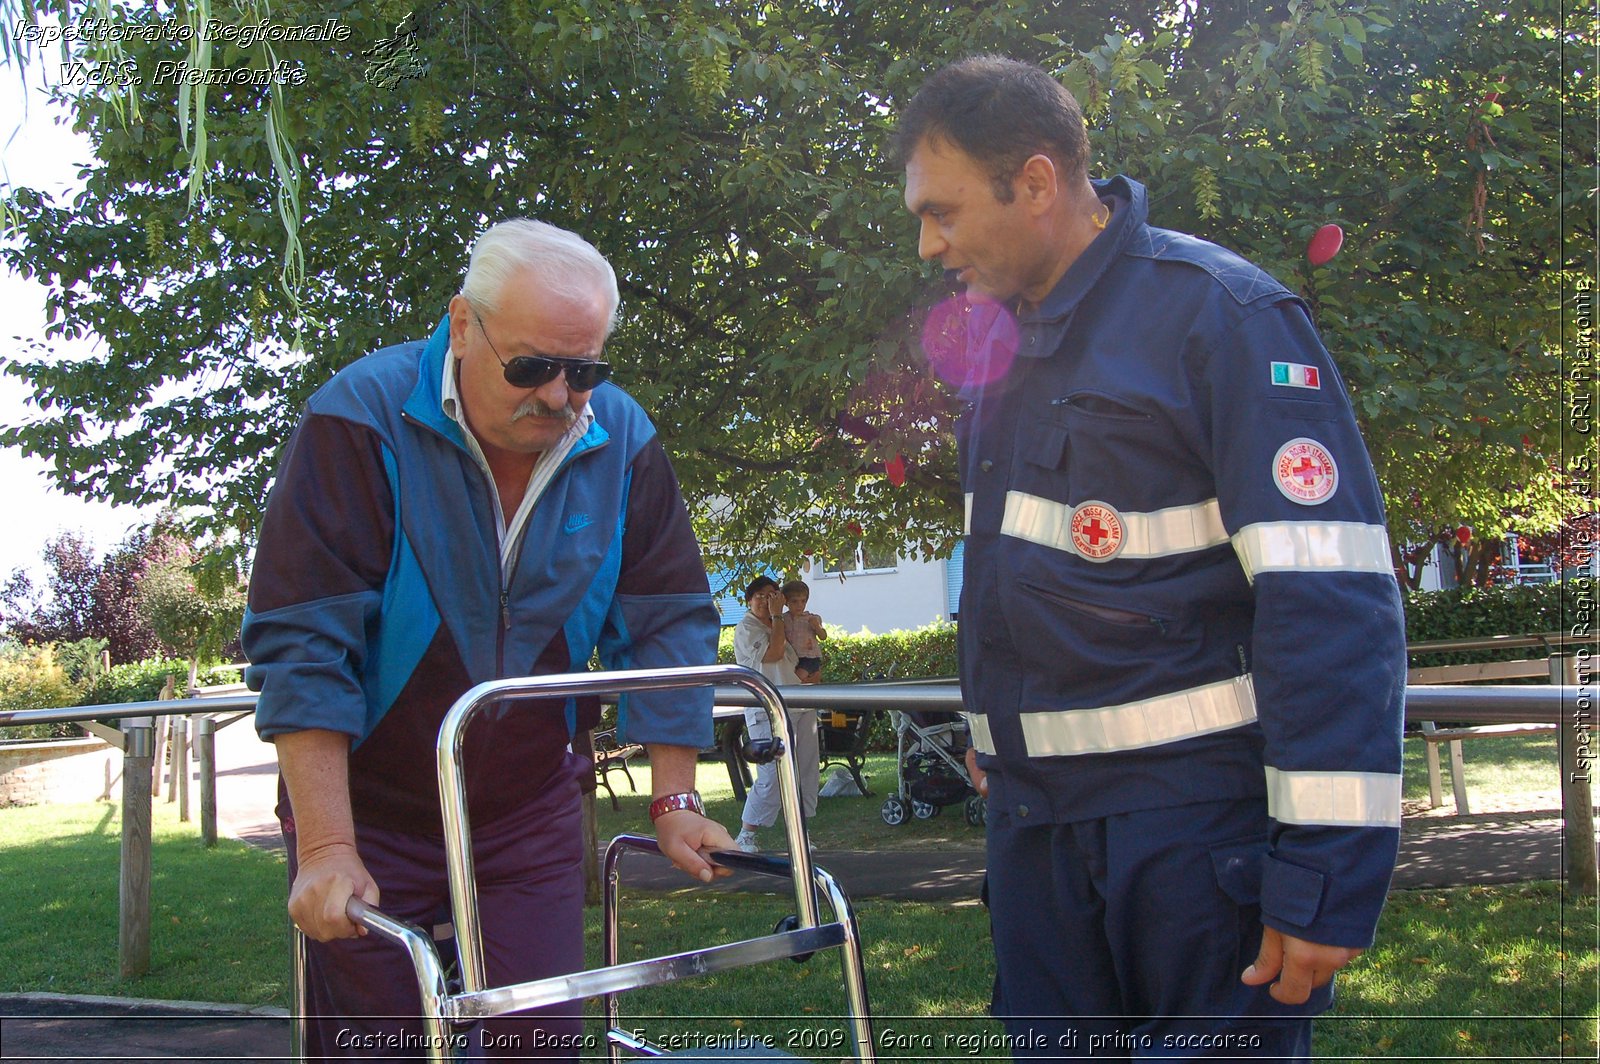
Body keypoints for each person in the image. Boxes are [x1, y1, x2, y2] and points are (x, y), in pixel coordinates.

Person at [895, 57, 1407, 1060]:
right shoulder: (999, 350)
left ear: (1035, 182)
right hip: (1040, 841)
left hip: (1191, 843)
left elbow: (1332, 602)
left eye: (943, 211)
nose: (928, 243)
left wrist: (1324, 876)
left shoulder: (1222, 317)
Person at [242, 219, 734, 1060]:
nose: (557, 395)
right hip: (369, 809)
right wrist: (326, 846)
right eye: (532, 366)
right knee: (378, 1046)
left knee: (536, 1044)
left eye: (583, 371)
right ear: (464, 325)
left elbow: (666, 618)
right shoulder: (358, 417)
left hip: (526, 805)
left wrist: (675, 798)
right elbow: (305, 640)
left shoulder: (623, 439)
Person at [730, 575, 819, 853]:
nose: (768, 601)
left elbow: (807, 654)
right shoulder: (747, 627)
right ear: (749, 600)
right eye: (761, 596)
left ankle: (799, 833)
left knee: (805, 771)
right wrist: (778, 618)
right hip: (766, 710)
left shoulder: (786, 622)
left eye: (772, 595)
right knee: (771, 772)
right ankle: (746, 834)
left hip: (799, 703)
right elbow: (773, 653)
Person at [780, 579, 828, 683]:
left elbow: (823, 636)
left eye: (803, 601)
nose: (799, 605)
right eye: (794, 601)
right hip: (791, 657)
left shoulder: (812, 618)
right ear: (786, 602)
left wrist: (817, 627)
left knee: (798, 678)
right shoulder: (784, 618)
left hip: (809, 657)